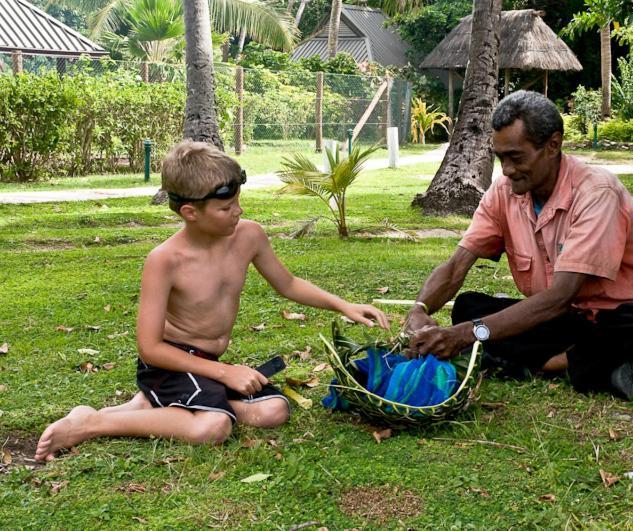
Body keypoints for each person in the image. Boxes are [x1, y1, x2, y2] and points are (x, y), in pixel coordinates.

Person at [35, 140, 389, 462]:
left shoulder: (248, 235)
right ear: (190, 212)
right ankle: (91, 423)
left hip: (205, 362)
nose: (237, 212)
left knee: (274, 411)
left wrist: (344, 305)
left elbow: (289, 283)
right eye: (225, 208)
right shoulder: (165, 260)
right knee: (213, 427)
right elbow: (149, 348)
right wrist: (226, 372)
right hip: (169, 366)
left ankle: (148, 406)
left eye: (237, 202)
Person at [406, 91, 633, 400]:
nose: (507, 169)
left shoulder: (596, 191)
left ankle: (552, 363)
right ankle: (599, 366)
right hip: (567, 322)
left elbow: (559, 296)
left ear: (552, 145)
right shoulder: (503, 192)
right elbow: (456, 266)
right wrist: (420, 310)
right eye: (501, 158)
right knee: (468, 307)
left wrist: (465, 335)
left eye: (516, 157)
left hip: (622, 318)